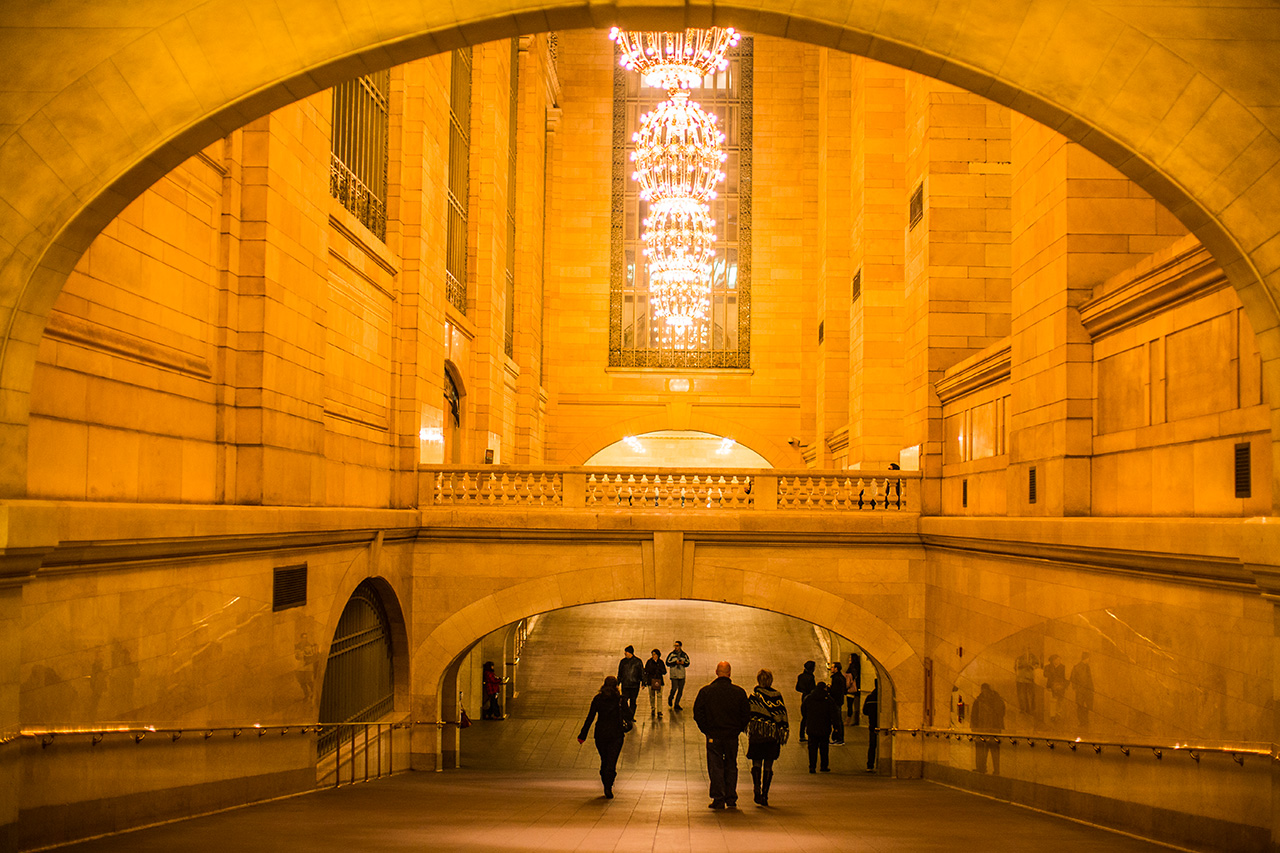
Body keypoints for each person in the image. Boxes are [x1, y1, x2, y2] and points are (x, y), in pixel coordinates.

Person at [692, 661, 750, 809]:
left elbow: (698, 713)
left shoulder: (706, 692)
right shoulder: (739, 692)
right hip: (731, 736)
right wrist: (737, 729)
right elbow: (746, 715)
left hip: (714, 735)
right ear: (730, 673)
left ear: (716, 672)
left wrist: (706, 729)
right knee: (731, 764)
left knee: (715, 766)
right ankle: (731, 797)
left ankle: (718, 797)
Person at [577, 675, 628, 799]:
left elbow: (590, 717)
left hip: (600, 734)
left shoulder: (598, 699)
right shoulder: (620, 700)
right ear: (616, 686)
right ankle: (608, 785)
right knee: (612, 761)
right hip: (616, 734)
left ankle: (605, 779)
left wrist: (582, 735)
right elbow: (629, 715)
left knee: (604, 760)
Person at [746, 668, 789, 806]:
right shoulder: (777, 696)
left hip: (757, 736)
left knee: (756, 763)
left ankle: (756, 790)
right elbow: (782, 714)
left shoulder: (754, 696)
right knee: (769, 765)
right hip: (772, 737)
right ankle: (765, 794)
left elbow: (749, 715)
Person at [969, 682, 1006, 774]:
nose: (985, 692)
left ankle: (995, 769)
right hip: (981, 730)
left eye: (986, 690)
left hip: (993, 730)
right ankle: (981, 768)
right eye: (983, 690)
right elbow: (974, 715)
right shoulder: (978, 701)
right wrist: (974, 728)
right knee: (982, 751)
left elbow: (1001, 713)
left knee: (993, 751)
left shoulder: (996, 701)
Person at [800, 681, 834, 773]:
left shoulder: (809, 698)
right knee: (824, 748)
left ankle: (812, 767)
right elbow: (833, 714)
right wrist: (834, 726)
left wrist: (808, 718)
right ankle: (824, 766)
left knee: (812, 748)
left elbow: (803, 710)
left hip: (812, 727)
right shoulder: (828, 699)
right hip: (824, 727)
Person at [617, 645, 644, 722]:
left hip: (634, 685)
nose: (625, 653)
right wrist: (617, 683)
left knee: (633, 701)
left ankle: (631, 716)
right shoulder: (623, 662)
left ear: (630, 652)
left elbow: (641, 672)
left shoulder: (638, 662)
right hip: (625, 685)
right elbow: (620, 673)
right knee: (624, 701)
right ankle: (626, 715)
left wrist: (643, 682)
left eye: (626, 652)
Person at [1070, 652, 1094, 728]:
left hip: (1087, 690)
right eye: (1088, 658)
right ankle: (1082, 722)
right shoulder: (1077, 667)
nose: (1089, 660)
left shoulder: (1087, 667)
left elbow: (1089, 679)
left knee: (1086, 706)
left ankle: (1085, 721)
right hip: (1081, 690)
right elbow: (1073, 678)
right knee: (1080, 706)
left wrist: (1092, 688)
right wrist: (1076, 688)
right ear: (1086, 658)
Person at [795, 660, 817, 742]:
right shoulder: (811, 677)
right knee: (810, 716)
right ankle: (810, 733)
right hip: (810, 698)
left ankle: (801, 735)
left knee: (804, 717)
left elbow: (797, 688)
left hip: (804, 697)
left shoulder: (800, 676)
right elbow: (812, 689)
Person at [1043, 654, 1067, 725]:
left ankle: (1058, 713)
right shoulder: (1047, 667)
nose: (1059, 661)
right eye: (1057, 659)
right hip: (1051, 686)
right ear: (1053, 660)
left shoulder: (1063, 667)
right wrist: (1052, 675)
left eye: (1060, 660)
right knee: (1053, 700)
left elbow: (1064, 677)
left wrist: (1064, 685)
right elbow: (1045, 674)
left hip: (1060, 686)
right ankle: (1052, 715)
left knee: (1060, 700)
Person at [665, 640, 689, 711]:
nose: (676, 647)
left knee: (680, 690)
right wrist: (675, 662)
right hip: (674, 675)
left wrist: (683, 663)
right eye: (675, 646)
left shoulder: (684, 655)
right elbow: (667, 662)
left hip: (681, 674)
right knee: (674, 688)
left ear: (680, 646)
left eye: (677, 646)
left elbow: (687, 662)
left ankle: (676, 703)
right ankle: (670, 697)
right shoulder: (671, 654)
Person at [1014, 648, 1039, 716]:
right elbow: (1015, 667)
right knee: (1022, 695)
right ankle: (1024, 709)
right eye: (1024, 650)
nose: (1026, 652)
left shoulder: (1033, 657)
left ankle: (1031, 709)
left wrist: (1031, 666)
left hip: (1029, 679)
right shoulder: (1019, 658)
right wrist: (1022, 667)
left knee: (1031, 694)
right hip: (1020, 679)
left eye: (1028, 650)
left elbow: (1036, 665)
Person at [644, 648, 667, 718]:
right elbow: (646, 671)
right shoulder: (649, 662)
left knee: (659, 695)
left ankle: (659, 710)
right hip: (651, 681)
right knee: (652, 696)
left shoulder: (660, 662)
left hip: (659, 680)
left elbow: (664, 671)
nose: (653, 656)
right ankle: (653, 708)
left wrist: (659, 670)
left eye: (654, 654)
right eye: (652, 654)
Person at [828, 661, 846, 744]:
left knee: (837, 720)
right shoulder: (841, 677)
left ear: (836, 669)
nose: (831, 668)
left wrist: (829, 689)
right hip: (839, 701)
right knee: (837, 720)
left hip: (836, 702)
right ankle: (838, 737)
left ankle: (839, 738)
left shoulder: (837, 678)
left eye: (832, 667)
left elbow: (835, 691)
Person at [863, 684, 880, 772]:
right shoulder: (883, 698)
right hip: (882, 725)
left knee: (872, 746)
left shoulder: (870, 697)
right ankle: (881, 765)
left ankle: (870, 765)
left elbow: (864, 711)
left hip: (872, 725)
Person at [846, 652, 862, 723]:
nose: (849, 659)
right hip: (856, 688)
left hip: (851, 689)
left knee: (849, 704)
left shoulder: (852, 667)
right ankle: (853, 720)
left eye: (850, 658)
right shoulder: (857, 667)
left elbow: (851, 678)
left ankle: (849, 720)